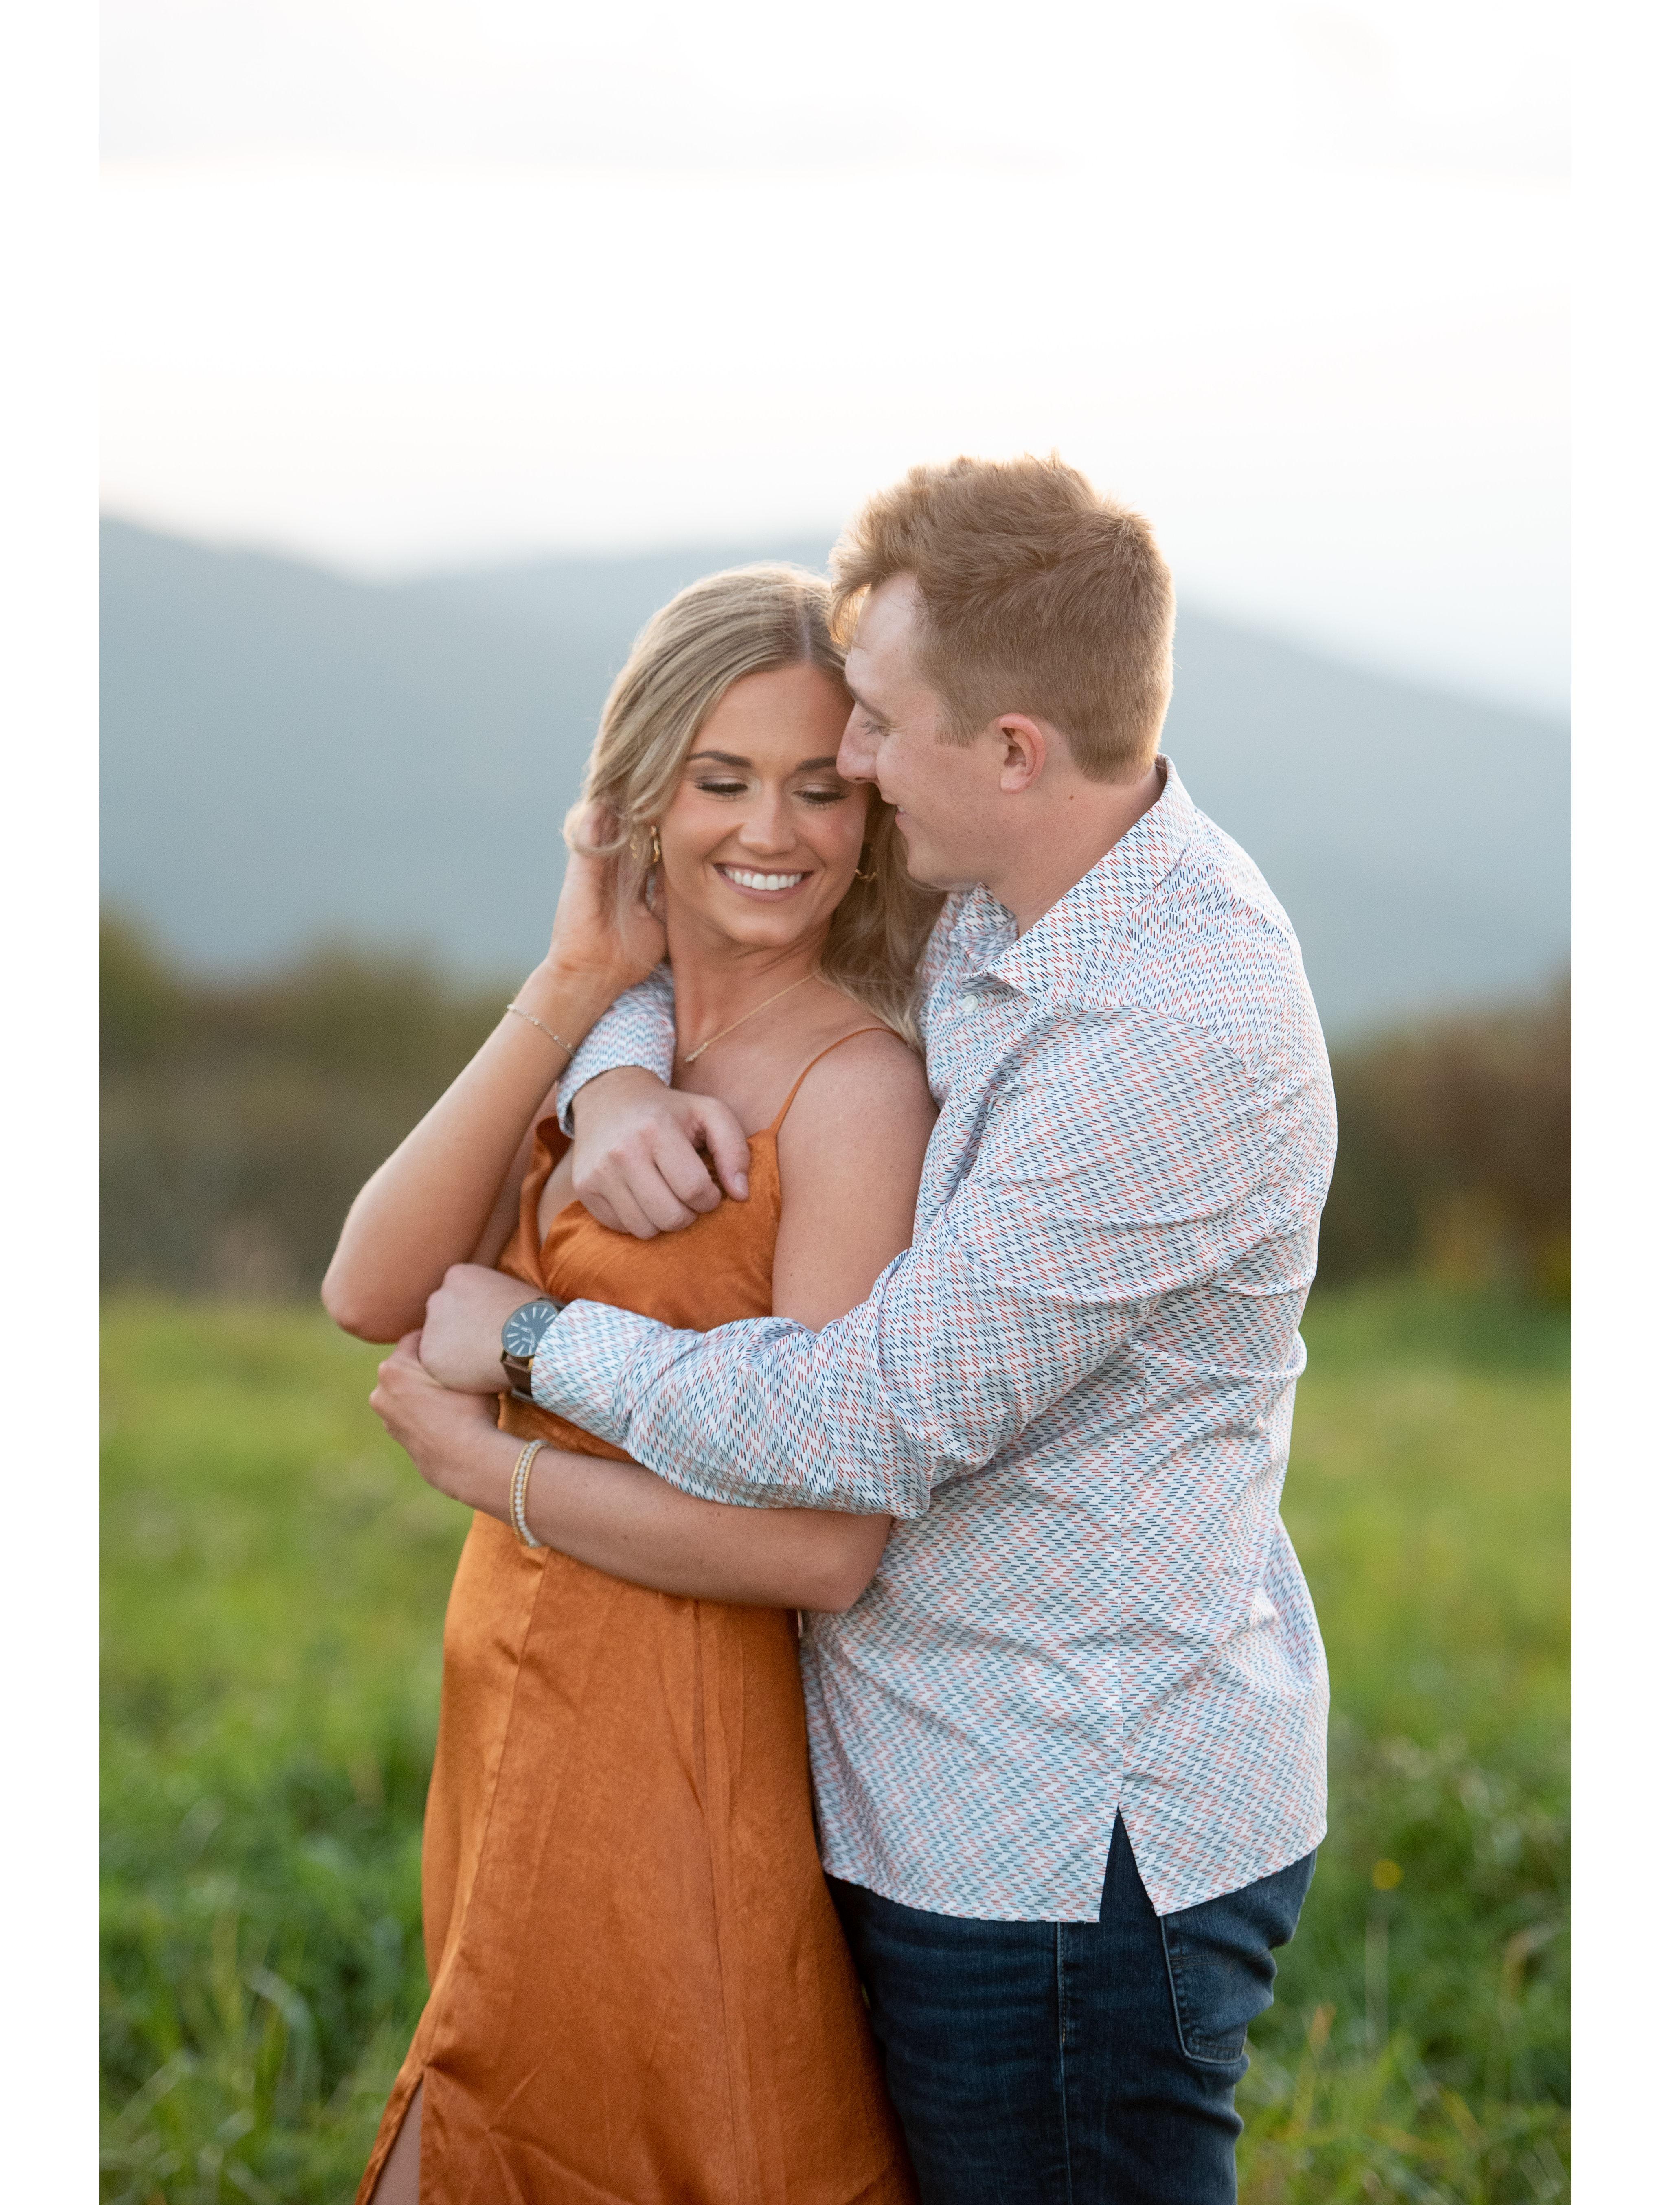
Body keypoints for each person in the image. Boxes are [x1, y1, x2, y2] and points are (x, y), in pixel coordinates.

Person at [395, 456, 1338, 2205]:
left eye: (880, 735)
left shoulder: (1172, 1031)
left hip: (1062, 1833)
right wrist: (608, 1081)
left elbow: (862, 1426)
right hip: (914, 1781)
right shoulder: (1015, 901)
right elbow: (725, 957)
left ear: (1010, 752)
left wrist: (527, 1354)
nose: (855, 774)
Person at [325, 563, 940, 2204]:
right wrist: (571, 996)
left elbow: (826, 1544)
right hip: (508, 1687)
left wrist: (489, 1471)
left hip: (672, 1731)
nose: (777, 828)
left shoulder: (855, 1092)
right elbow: (369, 1287)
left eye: (821, 785)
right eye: (721, 777)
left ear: (871, 808)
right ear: (639, 794)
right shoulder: (619, 1041)